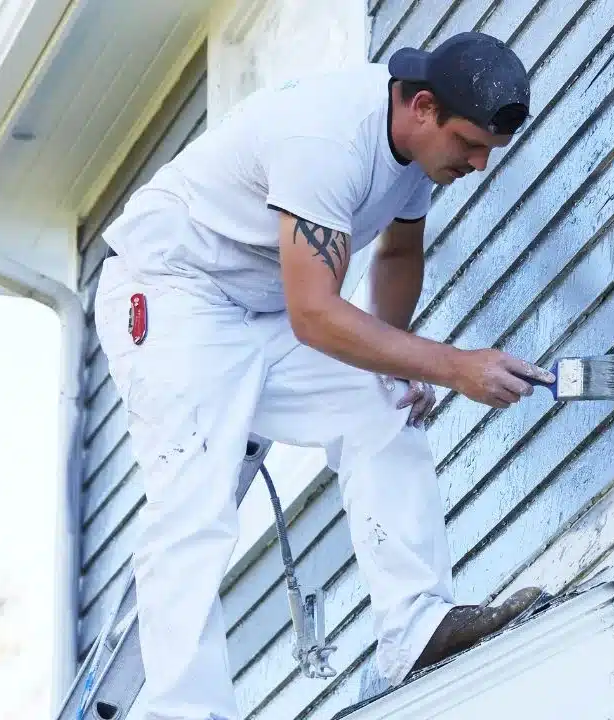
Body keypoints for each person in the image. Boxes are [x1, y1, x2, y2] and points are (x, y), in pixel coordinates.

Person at [92, 31, 552, 720]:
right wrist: (452, 365)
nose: (479, 164)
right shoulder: (331, 140)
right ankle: (184, 710)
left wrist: (396, 361)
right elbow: (315, 315)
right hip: (174, 292)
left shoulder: (416, 154)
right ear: (423, 107)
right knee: (195, 496)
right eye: (470, 144)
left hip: (263, 307)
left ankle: (415, 627)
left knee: (379, 404)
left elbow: (397, 255)